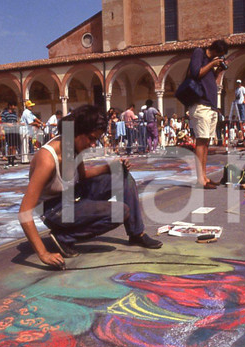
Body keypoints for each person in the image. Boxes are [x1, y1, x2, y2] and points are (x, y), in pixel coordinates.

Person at [18, 104, 162, 268]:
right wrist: (43, 253)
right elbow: (24, 212)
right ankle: (65, 237)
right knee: (120, 212)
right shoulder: (48, 159)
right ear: (77, 132)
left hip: (71, 195)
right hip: (54, 209)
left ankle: (137, 233)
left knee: (123, 177)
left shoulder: (73, 146)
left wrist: (109, 168)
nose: (94, 144)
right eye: (92, 138)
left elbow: (82, 176)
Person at [186, 38, 228, 188]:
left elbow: (209, 80)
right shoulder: (199, 53)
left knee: (206, 142)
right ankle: (200, 179)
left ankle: (205, 177)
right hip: (200, 105)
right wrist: (212, 63)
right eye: (220, 54)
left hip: (210, 105)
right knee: (201, 141)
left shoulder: (210, 63)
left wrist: (218, 70)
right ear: (215, 50)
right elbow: (196, 73)